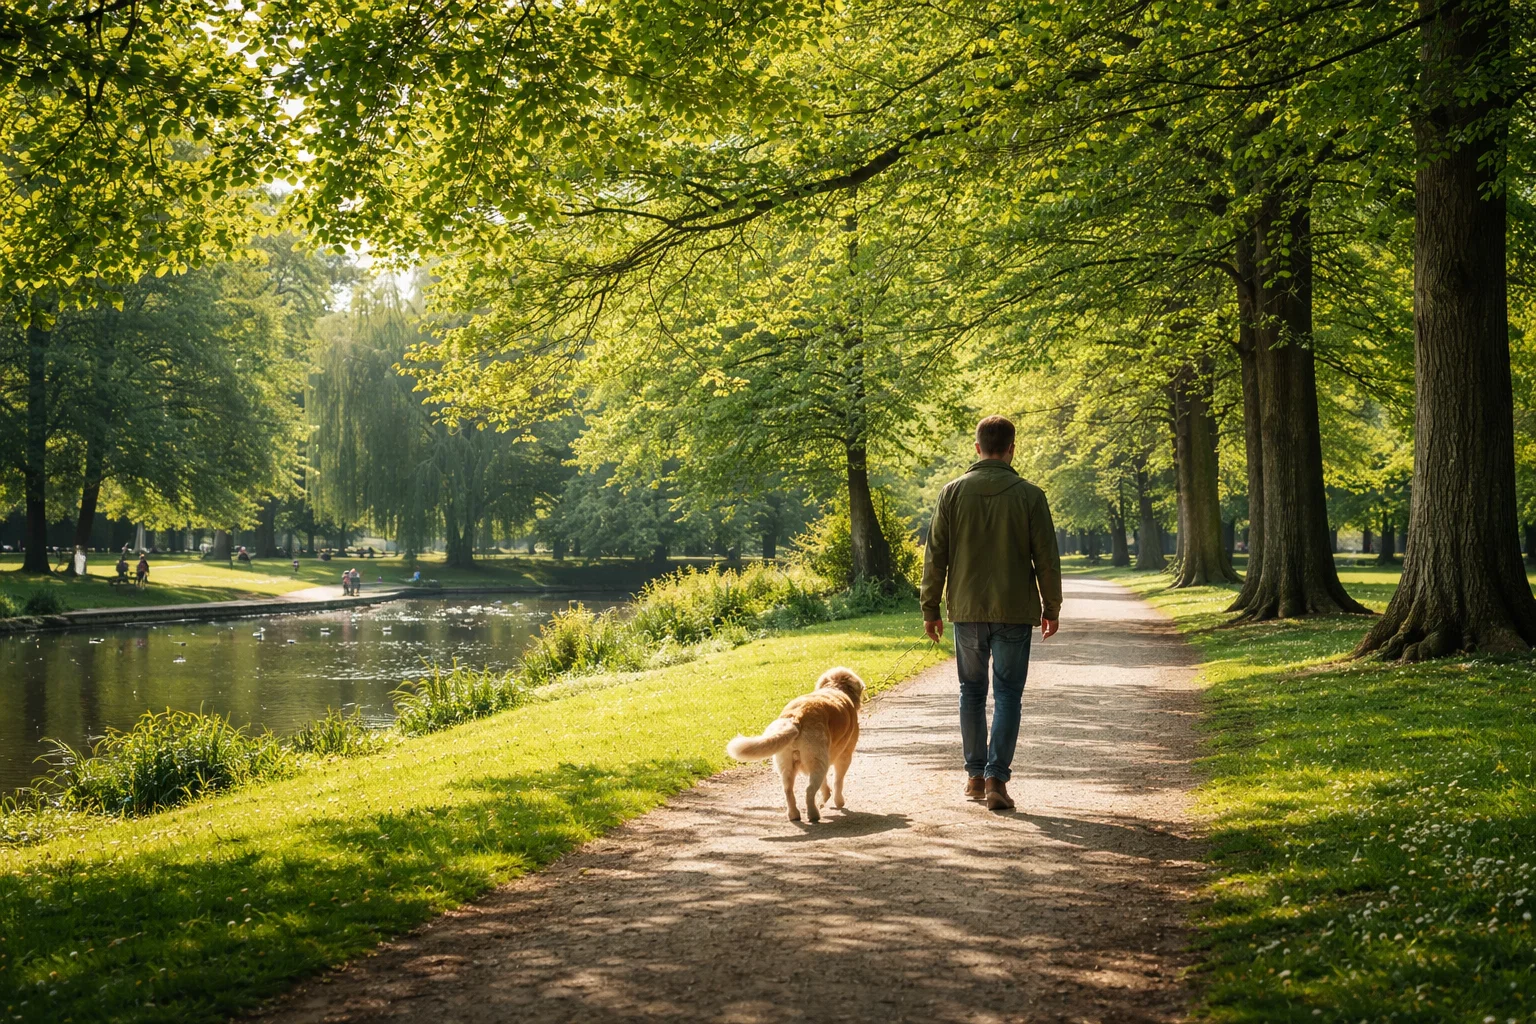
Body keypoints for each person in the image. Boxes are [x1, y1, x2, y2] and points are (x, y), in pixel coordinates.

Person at [920, 415, 1062, 811]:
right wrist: (1052, 606)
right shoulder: (1031, 496)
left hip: (966, 611)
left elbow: (935, 558)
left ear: (977, 447)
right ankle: (997, 778)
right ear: (1012, 449)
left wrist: (930, 607)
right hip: (1015, 611)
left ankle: (973, 776)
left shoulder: (951, 493)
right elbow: (1047, 559)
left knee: (971, 692)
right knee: (1008, 695)